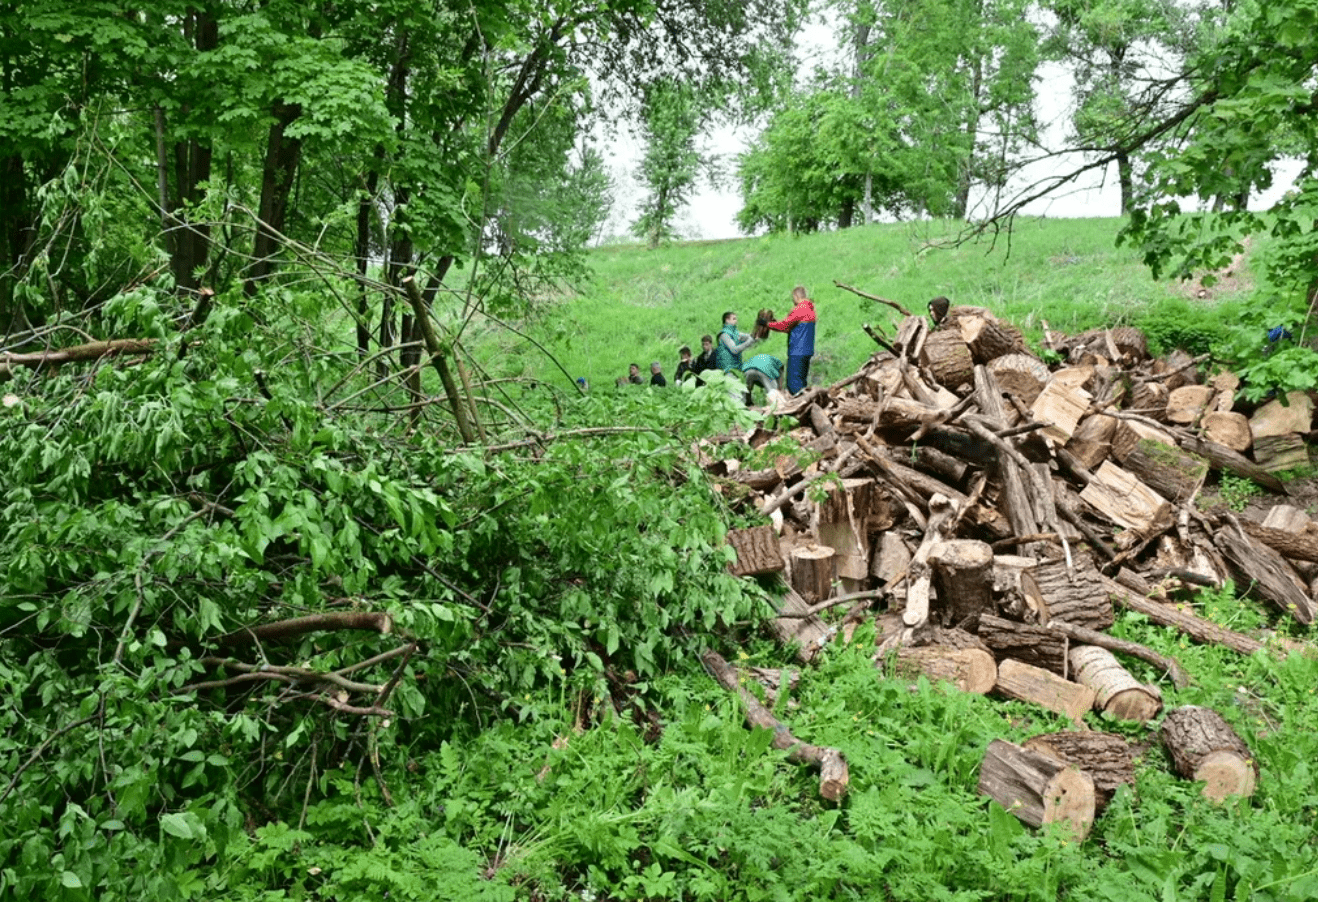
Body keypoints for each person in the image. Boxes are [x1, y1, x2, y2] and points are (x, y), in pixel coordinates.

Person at [764, 286, 816, 394]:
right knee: (801, 380)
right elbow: (792, 327)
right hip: (807, 350)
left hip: (797, 350)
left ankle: (800, 406)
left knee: (794, 383)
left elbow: (785, 325)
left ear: (796, 296)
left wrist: (768, 324)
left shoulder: (800, 308)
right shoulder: (810, 310)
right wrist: (774, 323)